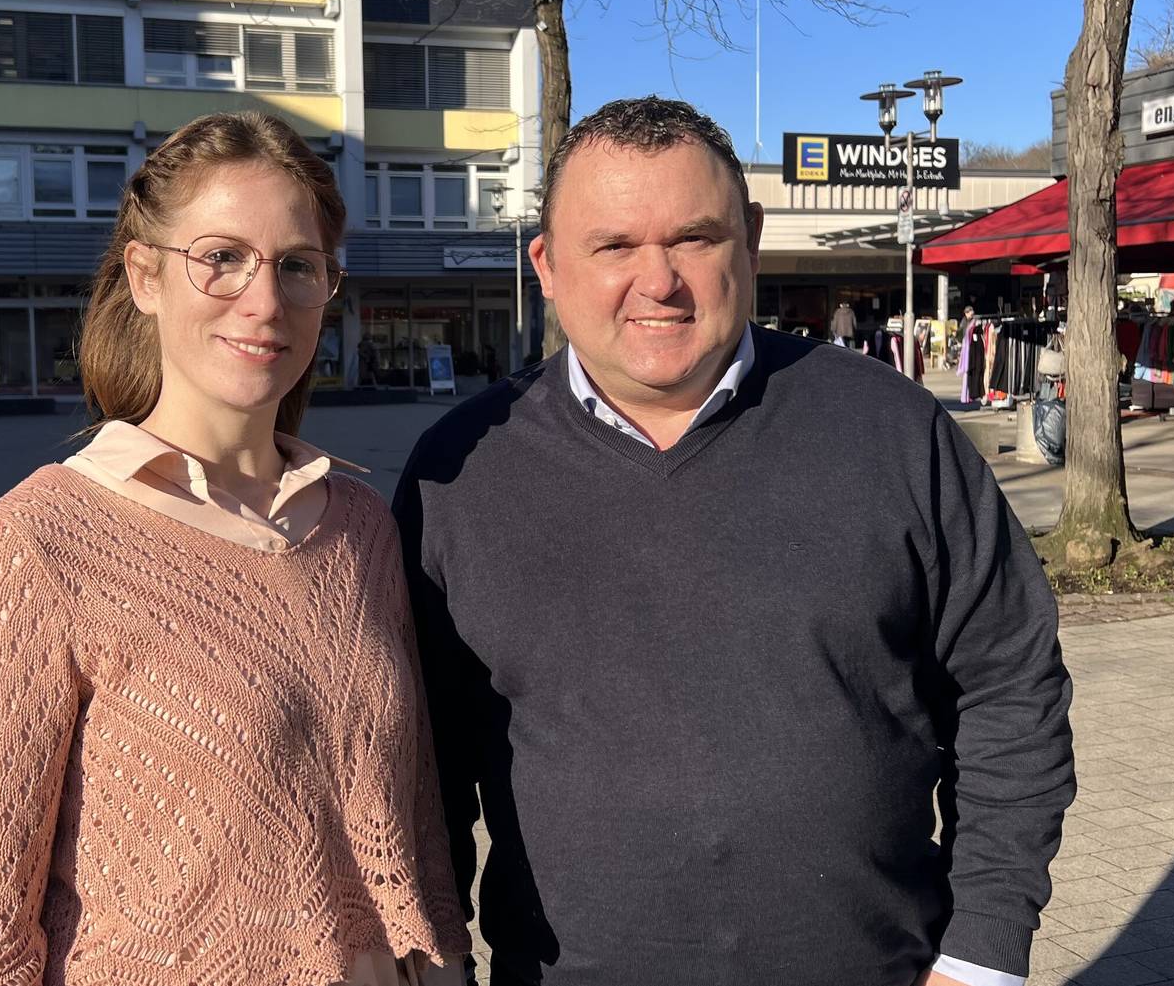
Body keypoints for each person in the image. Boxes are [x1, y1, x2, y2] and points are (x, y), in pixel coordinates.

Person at [397, 97, 1074, 986]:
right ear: (549, 265)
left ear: (750, 239)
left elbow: (1009, 681)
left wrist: (982, 952)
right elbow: (416, 768)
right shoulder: (459, 473)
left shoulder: (891, 430)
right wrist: (433, 954)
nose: (659, 279)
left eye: (694, 238)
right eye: (613, 246)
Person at [0, 113, 468, 986]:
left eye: (297, 265)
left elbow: (418, 827)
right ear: (145, 275)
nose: (264, 299)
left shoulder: (360, 525)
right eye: (222, 256)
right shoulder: (34, 546)